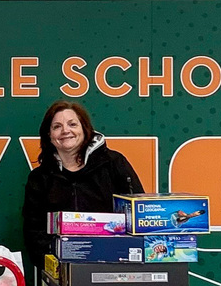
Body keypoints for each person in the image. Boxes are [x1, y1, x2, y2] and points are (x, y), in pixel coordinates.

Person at [22, 100, 144, 273]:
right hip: (61, 271)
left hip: (116, 266)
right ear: (48, 135)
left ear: (85, 129)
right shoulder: (39, 178)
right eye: (57, 126)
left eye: (72, 124)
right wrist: (52, 264)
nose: (65, 131)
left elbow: (137, 213)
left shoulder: (114, 163)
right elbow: (33, 231)